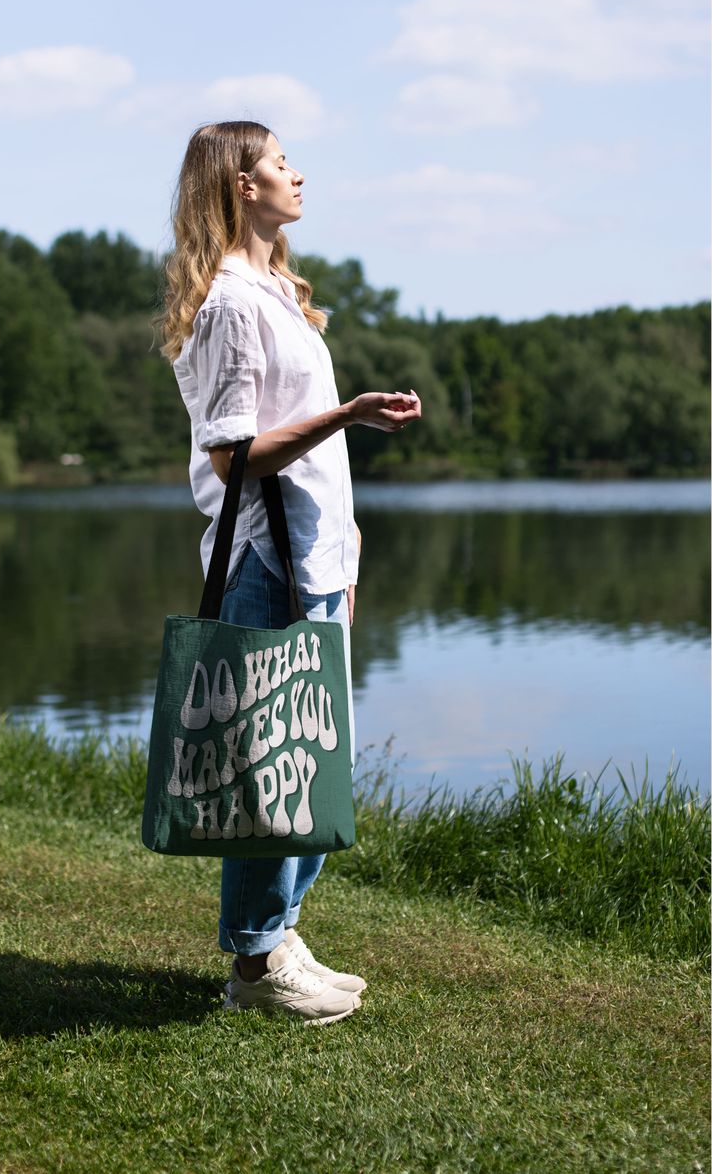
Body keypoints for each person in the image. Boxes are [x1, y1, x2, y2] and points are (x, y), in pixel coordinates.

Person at [154, 120, 423, 1024]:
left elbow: (305, 463)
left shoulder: (276, 291)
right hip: (266, 563)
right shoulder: (232, 302)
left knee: (305, 766)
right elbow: (233, 459)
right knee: (270, 771)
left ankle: (277, 934)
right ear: (240, 185)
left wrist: (341, 555)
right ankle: (257, 967)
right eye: (278, 163)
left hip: (311, 560)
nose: (295, 174)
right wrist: (345, 413)